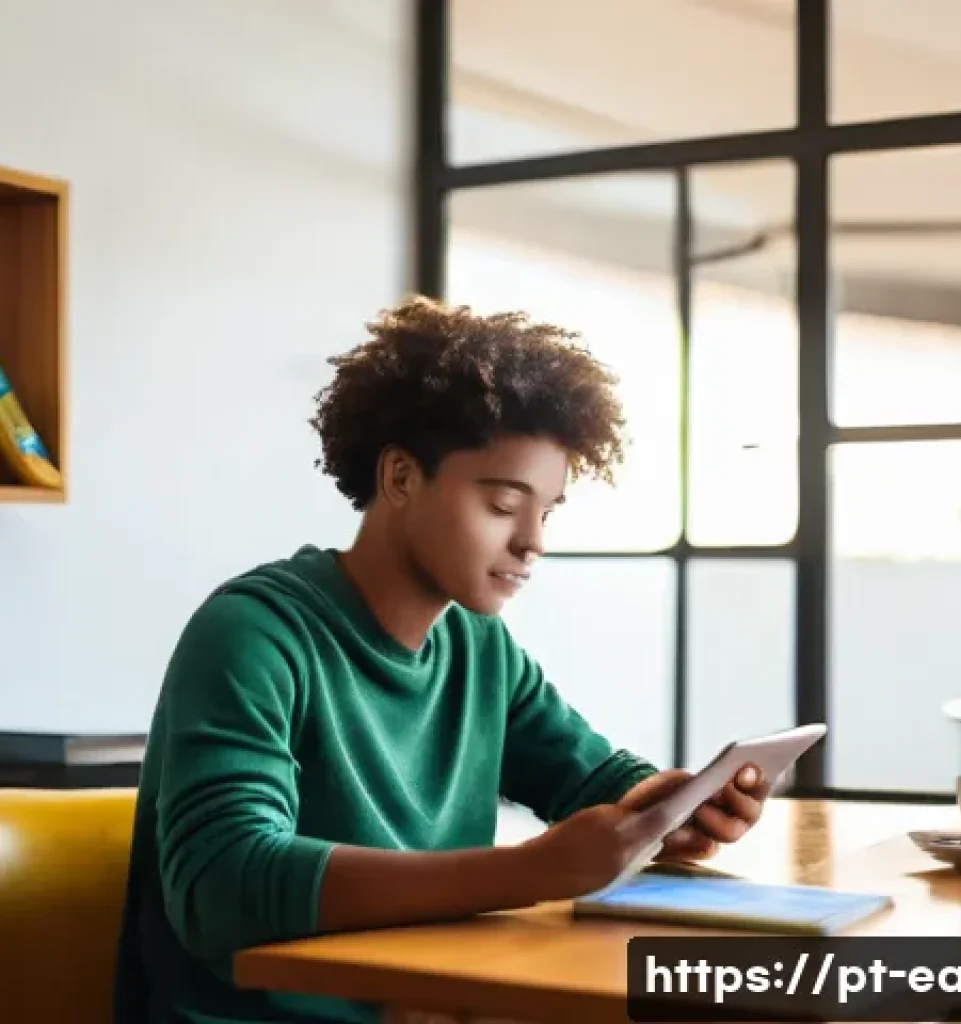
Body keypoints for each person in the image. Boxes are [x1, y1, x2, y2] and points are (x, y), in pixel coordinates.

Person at [113, 297, 770, 1024]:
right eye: (501, 504)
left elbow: (591, 780)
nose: (533, 542)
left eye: (546, 512)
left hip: (428, 1003)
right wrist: (532, 872)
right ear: (400, 478)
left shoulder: (478, 647)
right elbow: (223, 888)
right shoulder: (254, 634)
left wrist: (671, 810)